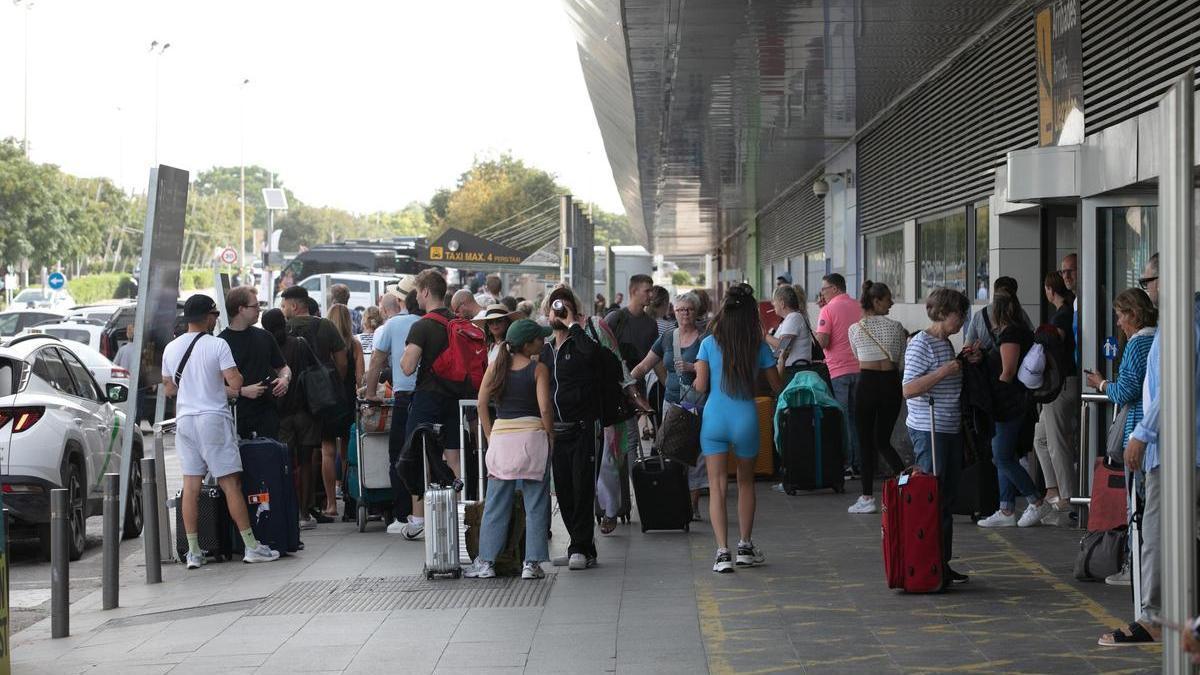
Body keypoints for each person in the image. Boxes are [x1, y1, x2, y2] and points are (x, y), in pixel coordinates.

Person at [1098, 291, 1200, 647]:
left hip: (1168, 447)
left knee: (1153, 527)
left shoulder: (1173, 331)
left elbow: (1165, 388)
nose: (1118, 323)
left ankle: (1156, 615)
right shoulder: (1169, 331)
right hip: (1172, 445)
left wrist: (1139, 434)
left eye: (1149, 279)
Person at [161, 294, 280, 567]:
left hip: (186, 420)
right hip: (213, 418)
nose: (217, 319)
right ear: (207, 317)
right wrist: (219, 380)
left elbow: (169, 388)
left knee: (191, 486)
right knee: (231, 484)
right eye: (214, 314)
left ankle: (193, 552)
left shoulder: (171, 348)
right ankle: (251, 546)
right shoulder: (218, 344)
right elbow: (236, 382)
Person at [694, 283, 782, 573]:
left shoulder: (708, 344)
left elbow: (701, 386)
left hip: (714, 419)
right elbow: (775, 385)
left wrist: (694, 376)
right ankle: (745, 546)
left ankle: (722, 553)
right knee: (745, 482)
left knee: (718, 487)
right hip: (746, 417)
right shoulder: (757, 346)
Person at [463, 319, 555, 580]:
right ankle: (531, 563)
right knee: (536, 504)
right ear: (528, 344)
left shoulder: (496, 367)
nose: (543, 342)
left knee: (496, 503)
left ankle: (487, 562)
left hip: (502, 441)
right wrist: (550, 436)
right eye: (539, 339)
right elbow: (545, 408)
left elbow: (481, 403)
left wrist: (491, 434)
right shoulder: (539, 370)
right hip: (532, 439)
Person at [901, 288, 974, 584]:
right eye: (959, 314)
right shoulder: (922, 344)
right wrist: (945, 371)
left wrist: (963, 360)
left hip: (948, 428)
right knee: (934, 497)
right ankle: (931, 563)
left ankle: (940, 561)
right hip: (929, 429)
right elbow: (909, 388)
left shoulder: (945, 343)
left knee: (946, 498)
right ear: (943, 313)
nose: (962, 320)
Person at [1083, 288, 1155, 581]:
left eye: (1120, 316)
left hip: (1138, 432)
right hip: (1158, 434)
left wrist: (1101, 384)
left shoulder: (1138, 345)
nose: (1118, 324)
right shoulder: (1161, 337)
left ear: (1134, 315)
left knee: (1136, 505)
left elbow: (1125, 391)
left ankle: (1134, 566)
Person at [400, 270, 470, 538]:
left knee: (416, 453)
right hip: (456, 398)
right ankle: (458, 510)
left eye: (418, 291)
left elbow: (407, 367)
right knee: (453, 454)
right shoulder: (458, 322)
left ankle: (418, 518)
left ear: (426, 292)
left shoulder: (422, 325)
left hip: (428, 397)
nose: (416, 296)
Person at [541, 287, 604, 569]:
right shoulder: (543, 350)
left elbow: (595, 358)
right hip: (556, 430)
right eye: (555, 309)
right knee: (564, 491)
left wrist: (573, 326)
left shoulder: (582, 343)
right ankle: (581, 547)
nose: (559, 313)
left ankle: (579, 545)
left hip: (582, 428)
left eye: (564, 309)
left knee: (582, 489)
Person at [631, 291, 708, 520]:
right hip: (671, 403)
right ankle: (675, 499)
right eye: (681, 309)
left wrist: (693, 367)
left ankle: (693, 505)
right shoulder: (667, 338)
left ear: (696, 312)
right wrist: (627, 380)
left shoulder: (704, 339)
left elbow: (713, 367)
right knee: (670, 452)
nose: (685, 314)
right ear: (674, 311)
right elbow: (646, 364)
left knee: (695, 455)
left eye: (689, 309)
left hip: (696, 404)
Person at [976, 292, 1050, 528]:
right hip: (1013, 403)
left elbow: (1007, 372)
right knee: (1004, 456)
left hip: (1007, 404)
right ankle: (1006, 509)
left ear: (996, 312)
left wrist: (991, 392)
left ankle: (1036, 501)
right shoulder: (1019, 331)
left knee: (1001, 456)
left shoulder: (1010, 334)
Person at [280, 285, 347, 519]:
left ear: (295, 306)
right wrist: (331, 384)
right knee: (318, 452)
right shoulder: (325, 325)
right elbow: (341, 361)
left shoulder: (283, 329)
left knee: (290, 457)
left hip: (289, 401)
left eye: (285, 305)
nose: (283, 309)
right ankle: (314, 506)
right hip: (319, 399)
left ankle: (291, 507)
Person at [845, 281, 908, 514]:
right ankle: (906, 487)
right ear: (876, 301)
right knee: (883, 441)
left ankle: (867, 497)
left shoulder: (855, 329)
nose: (891, 303)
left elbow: (856, 354)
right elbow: (901, 360)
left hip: (867, 384)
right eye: (888, 299)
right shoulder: (898, 327)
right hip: (891, 384)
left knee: (864, 441)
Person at [363, 292, 422, 537]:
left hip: (403, 396)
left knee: (397, 454)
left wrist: (370, 392)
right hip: (428, 395)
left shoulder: (391, 325)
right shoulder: (422, 321)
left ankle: (402, 514)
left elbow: (376, 360)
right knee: (424, 452)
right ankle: (425, 511)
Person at [262, 308, 321, 530]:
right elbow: (316, 370)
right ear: (284, 322)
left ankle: (288, 511)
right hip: (306, 411)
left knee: (285, 465)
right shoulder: (300, 344)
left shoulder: (266, 348)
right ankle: (304, 513)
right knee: (306, 463)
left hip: (280, 414)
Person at [1034, 271, 1080, 525]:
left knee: (1056, 442)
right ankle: (1053, 491)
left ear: (1050, 290)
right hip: (1061, 384)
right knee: (1040, 438)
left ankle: (1068, 502)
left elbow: (1056, 338)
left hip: (1061, 384)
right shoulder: (1069, 310)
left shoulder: (1063, 314)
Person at [219, 286, 291, 441]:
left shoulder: (265, 337)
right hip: (235, 417)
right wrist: (243, 391)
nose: (259, 309)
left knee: (268, 460)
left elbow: (283, 367)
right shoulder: (220, 342)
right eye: (255, 306)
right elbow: (211, 386)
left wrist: (285, 379)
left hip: (267, 414)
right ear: (241, 309)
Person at [816, 273, 863, 478]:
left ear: (834, 288)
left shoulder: (828, 309)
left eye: (824, 289)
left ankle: (848, 463)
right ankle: (860, 463)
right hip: (861, 369)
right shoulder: (859, 306)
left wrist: (818, 331)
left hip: (839, 371)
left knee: (843, 419)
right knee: (857, 419)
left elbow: (823, 341)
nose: (822, 293)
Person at [604, 275, 658, 376]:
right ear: (634, 291)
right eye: (647, 291)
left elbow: (655, 357)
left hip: (639, 383)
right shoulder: (615, 318)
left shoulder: (651, 324)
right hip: (614, 381)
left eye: (652, 291)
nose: (651, 295)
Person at [962, 276, 1032, 351]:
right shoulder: (1020, 313)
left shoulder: (979, 315)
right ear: (1015, 294)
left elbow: (967, 348)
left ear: (995, 292)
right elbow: (1032, 341)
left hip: (988, 362)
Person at [765, 285, 812, 379]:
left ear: (782, 303)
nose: (773, 305)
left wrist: (764, 335)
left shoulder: (793, 317)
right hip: (792, 370)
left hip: (795, 372)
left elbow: (782, 346)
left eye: (775, 302)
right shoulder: (789, 319)